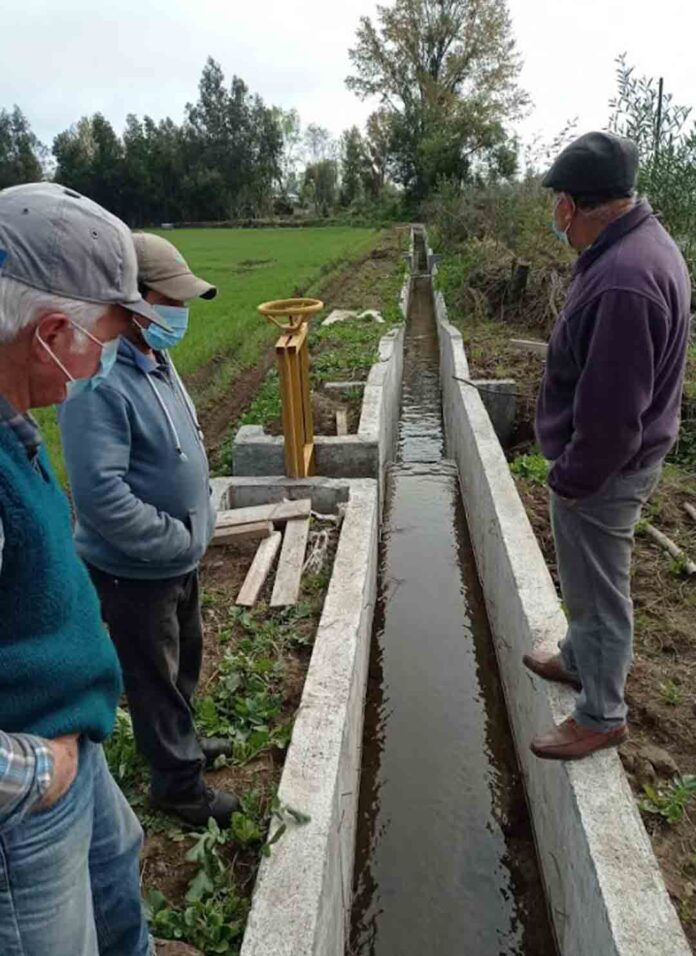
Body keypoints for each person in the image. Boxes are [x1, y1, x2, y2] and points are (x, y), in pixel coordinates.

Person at [0, 181, 174, 955]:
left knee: (116, 901)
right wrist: (38, 775)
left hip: (72, 737)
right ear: (46, 333)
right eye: (100, 336)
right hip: (26, 807)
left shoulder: (14, 426)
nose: (105, 357)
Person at [59, 232, 239, 827]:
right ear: (133, 302)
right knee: (154, 678)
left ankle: (180, 745)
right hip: (136, 570)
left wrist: (194, 531)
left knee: (182, 661)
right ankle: (178, 787)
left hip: (175, 559)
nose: (179, 315)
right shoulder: (97, 381)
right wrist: (175, 538)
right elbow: (100, 496)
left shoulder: (155, 359)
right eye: (171, 301)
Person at [523, 132, 692, 760]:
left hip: (604, 470)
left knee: (599, 585)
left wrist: (571, 476)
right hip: (606, 462)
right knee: (584, 578)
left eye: (557, 203)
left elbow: (614, 418)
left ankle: (601, 714)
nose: (555, 216)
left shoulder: (625, 279)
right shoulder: (630, 249)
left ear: (572, 205)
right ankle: (577, 657)